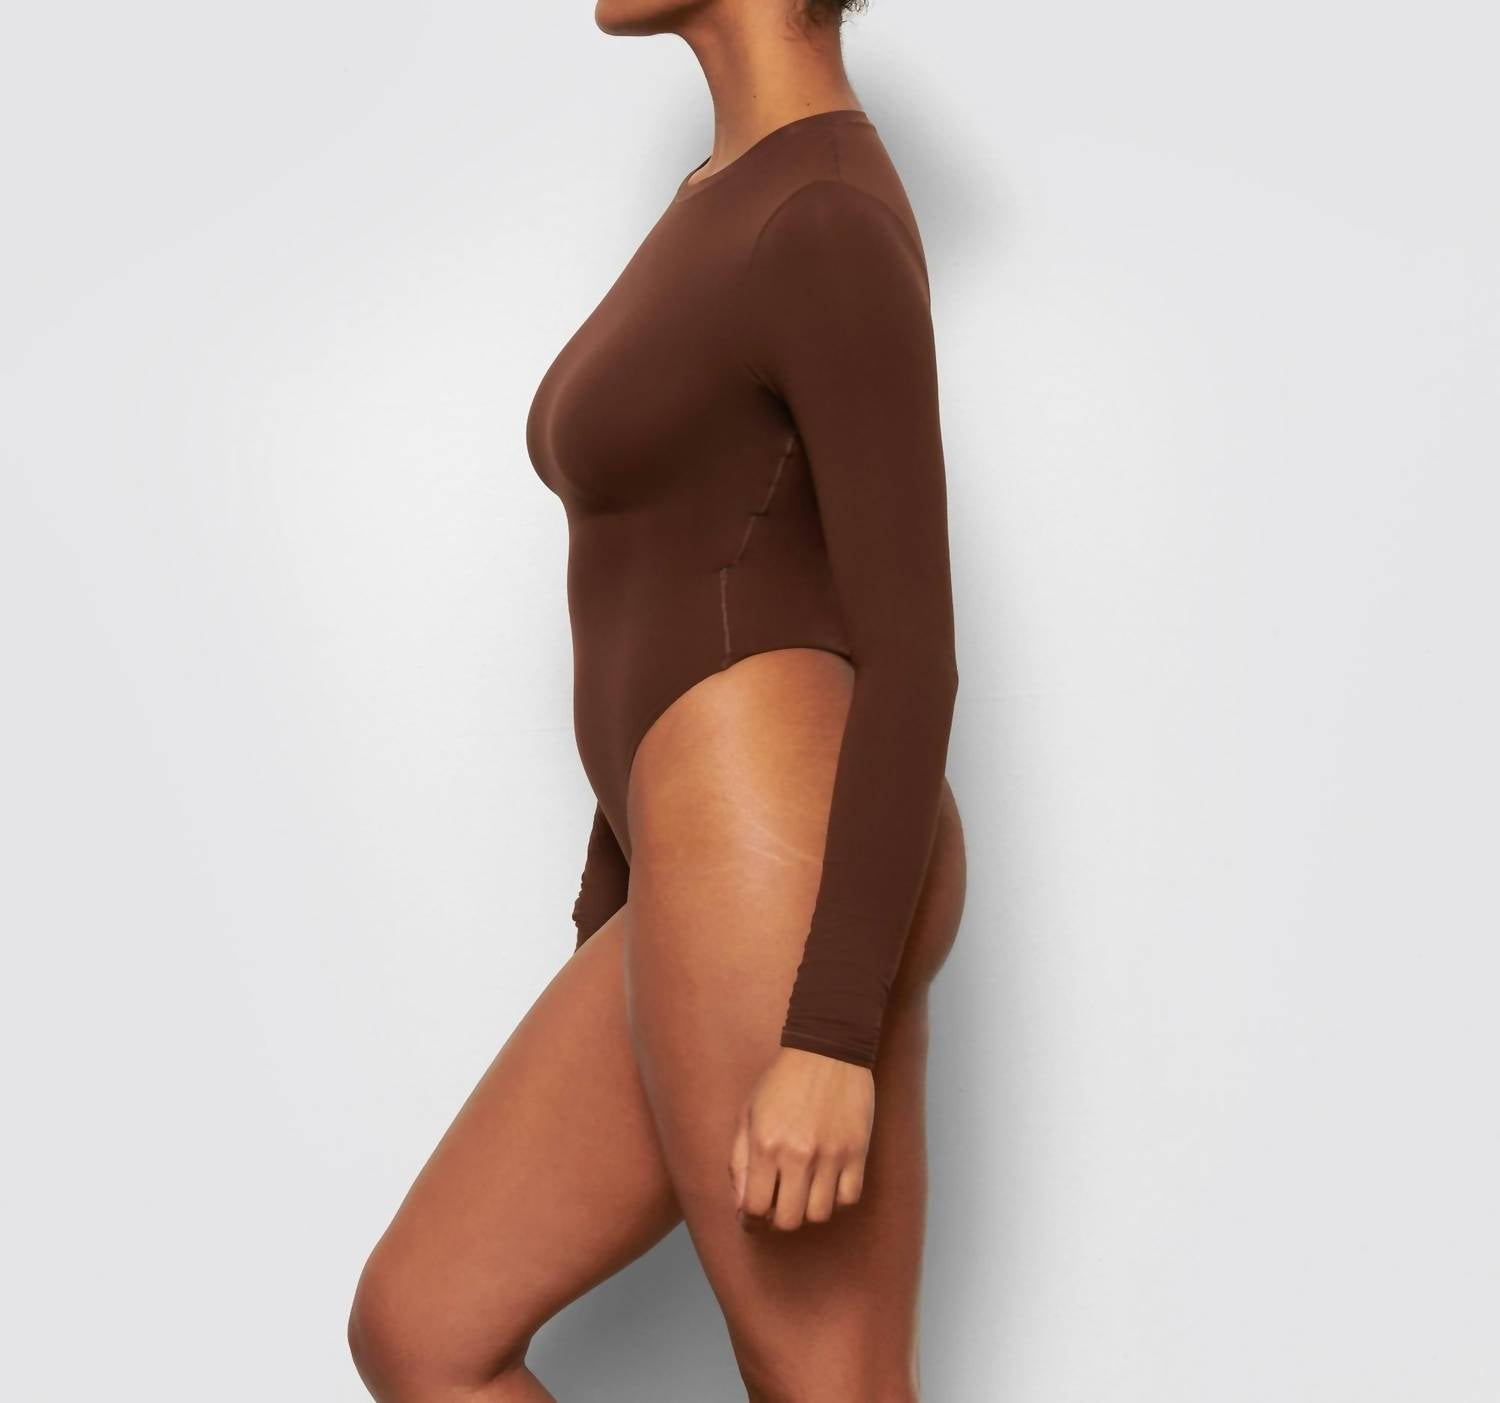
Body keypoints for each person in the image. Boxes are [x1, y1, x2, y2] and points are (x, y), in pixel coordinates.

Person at [348, 1, 968, 1398]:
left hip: (777, 853)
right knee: (423, 1329)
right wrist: (613, 907)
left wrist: (831, 1035)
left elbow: (913, 648)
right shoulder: (724, 194)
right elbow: (666, 575)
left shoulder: (819, 214)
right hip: (699, 861)